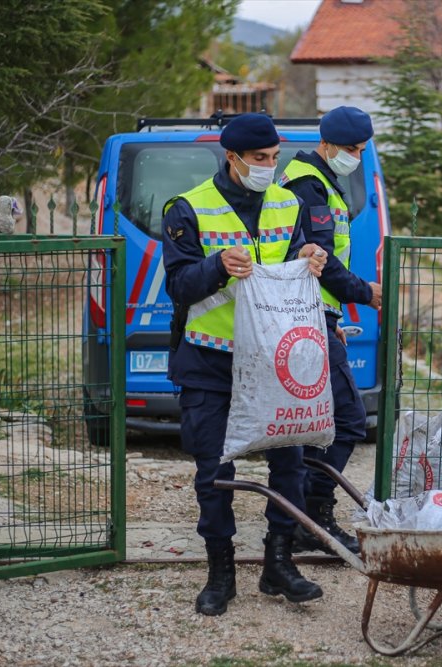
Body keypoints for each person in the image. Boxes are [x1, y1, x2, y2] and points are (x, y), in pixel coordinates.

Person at [161, 112, 329, 617]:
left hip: (275, 362)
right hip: (210, 360)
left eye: (275, 159)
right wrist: (215, 267)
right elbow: (178, 286)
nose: (270, 168)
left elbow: (296, 257)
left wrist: (312, 255)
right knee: (215, 472)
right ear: (231, 157)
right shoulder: (189, 208)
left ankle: (279, 564)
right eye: (260, 160)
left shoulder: (288, 201)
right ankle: (220, 572)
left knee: (290, 465)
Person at [279, 106, 382, 555]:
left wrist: (334, 319)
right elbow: (321, 260)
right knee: (348, 420)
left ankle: (299, 515)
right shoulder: (309, 184)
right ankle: (311, 515)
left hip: (316, 317)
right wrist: (366, 293)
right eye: (350, 149)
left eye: (361, 150)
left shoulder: (321, 180)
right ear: (327, 144)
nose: (355, 157)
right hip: (307, 316)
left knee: (317, 424)